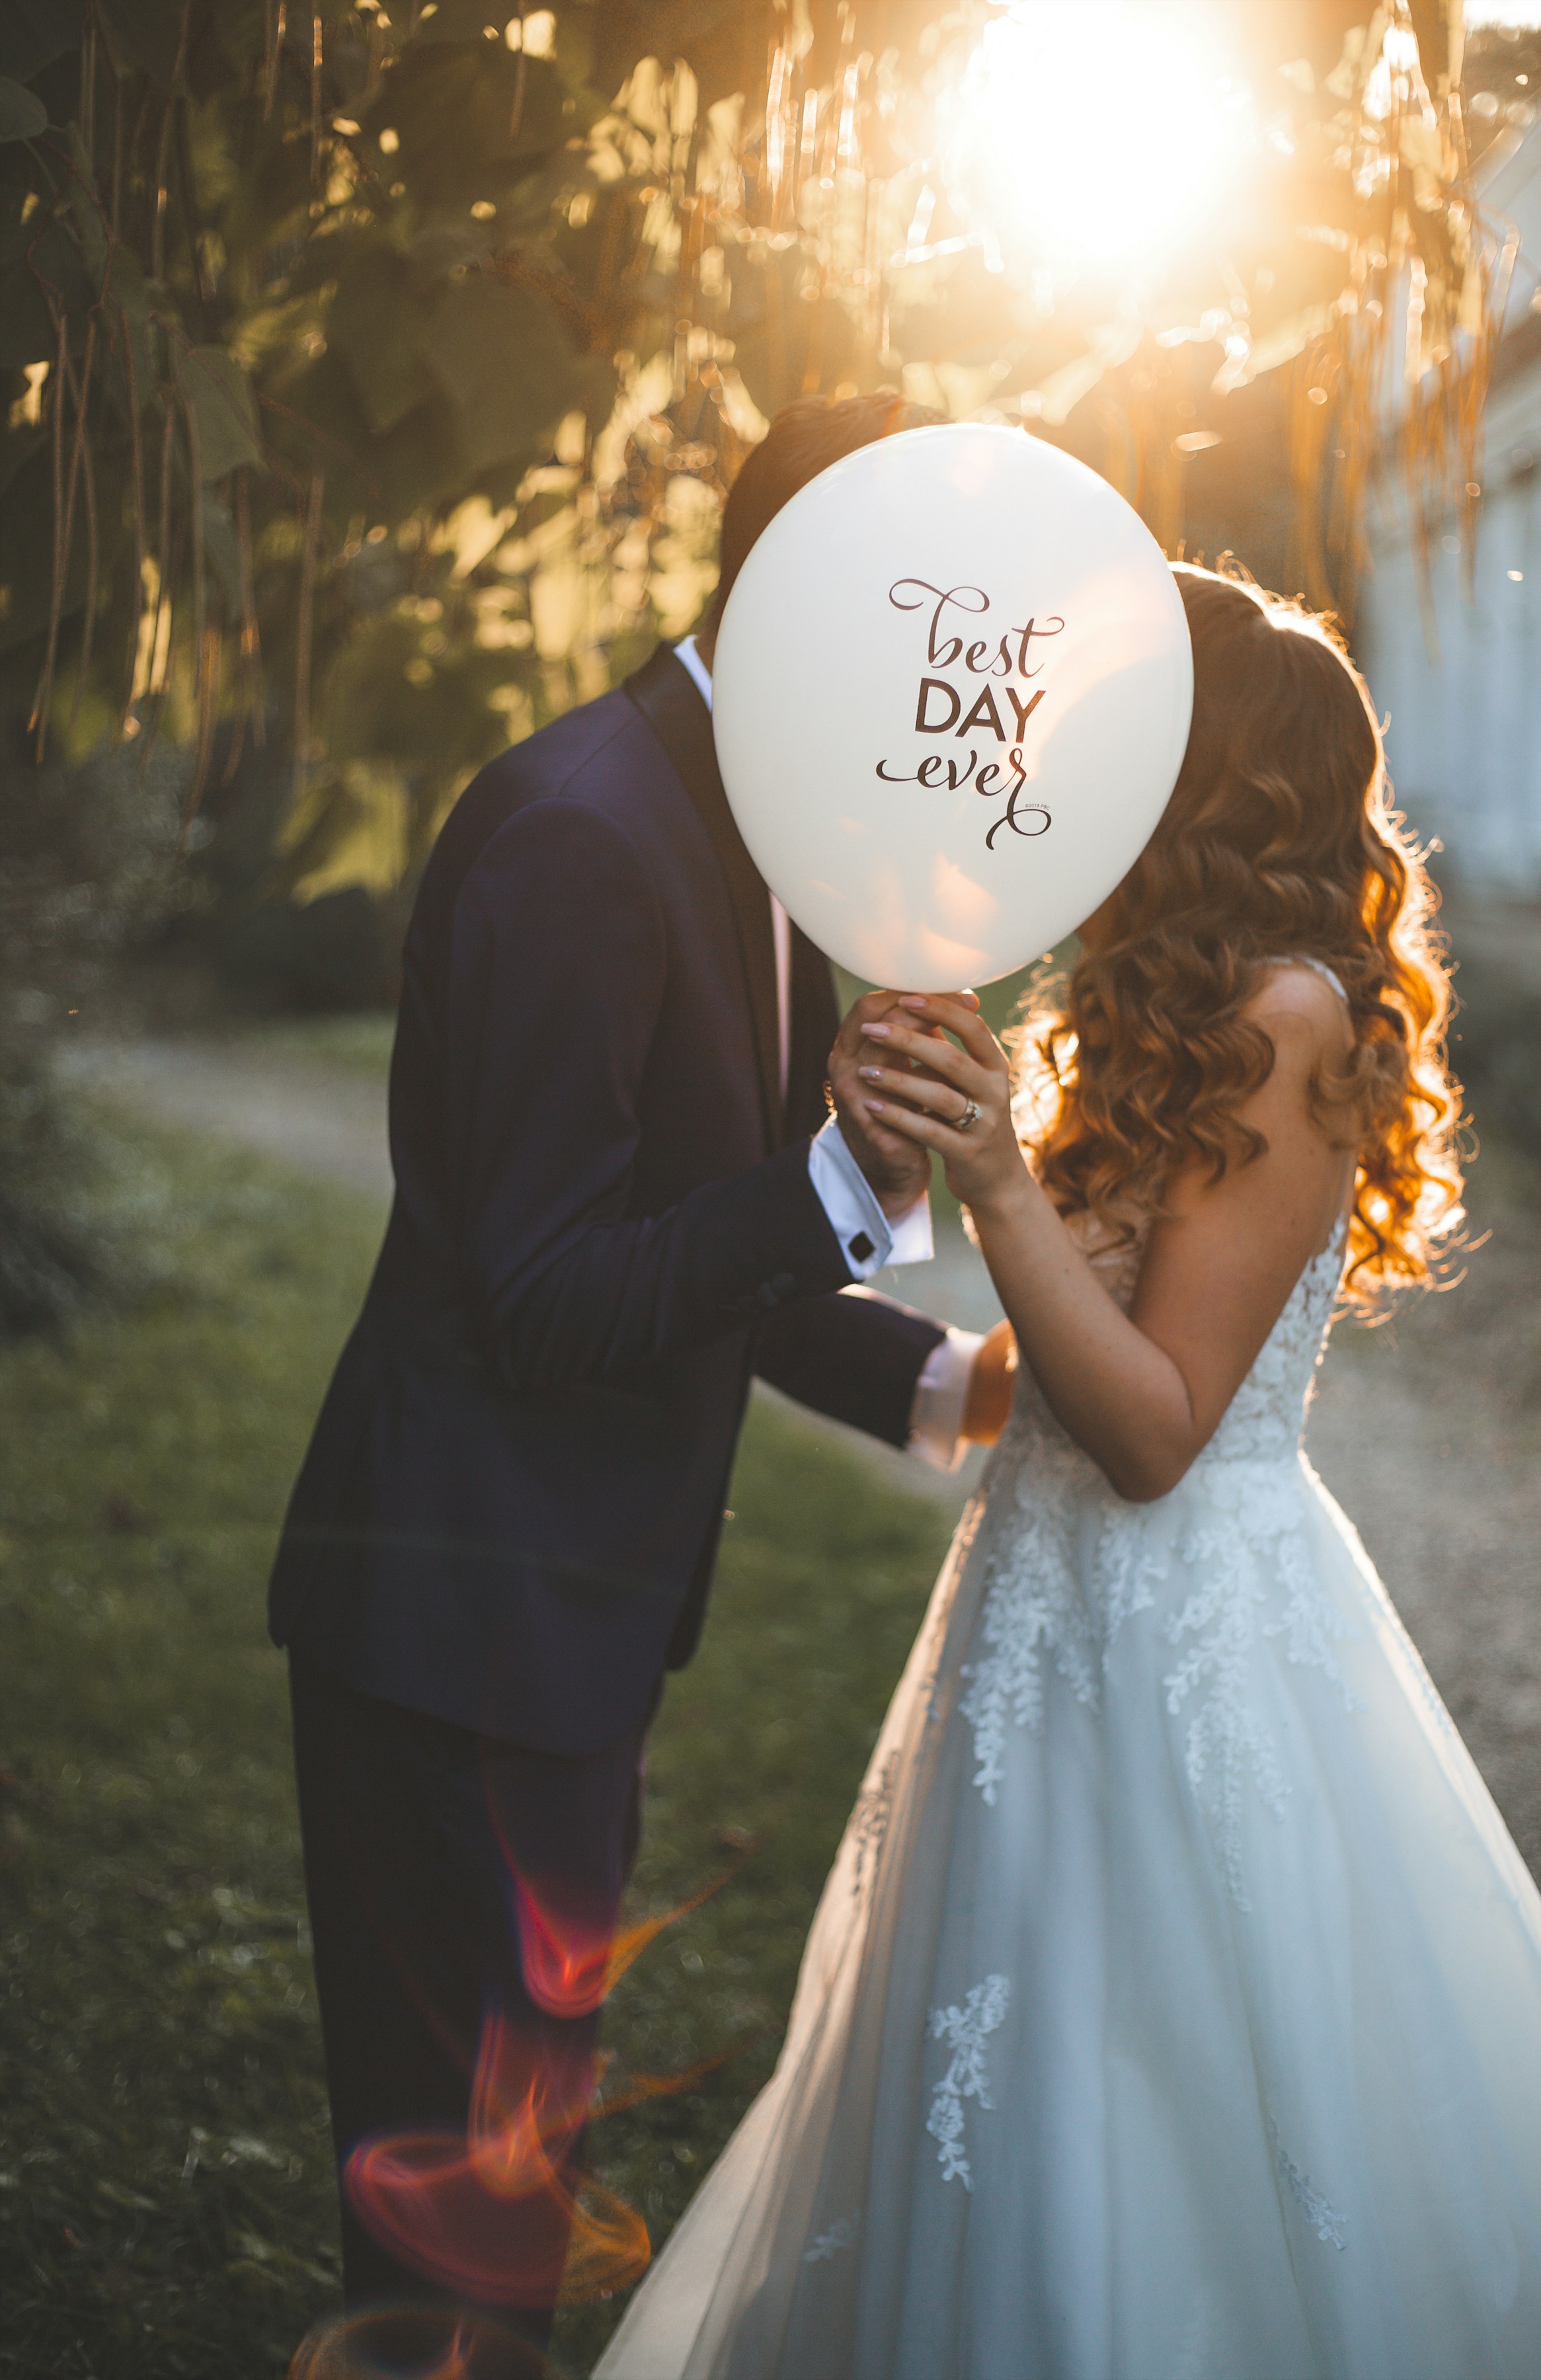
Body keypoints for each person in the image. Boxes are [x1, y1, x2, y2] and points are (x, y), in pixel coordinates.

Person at [594, 567, 1541, 2380]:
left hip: (1170, 1624)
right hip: (1038, 1630)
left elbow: (1150, 1430)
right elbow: (1045, 1368)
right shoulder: (1159, 1000)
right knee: (1004, 2083)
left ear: (1203, 770)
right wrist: (873, 1167)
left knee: (1169, 2099)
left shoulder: (1292, 1012)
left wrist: (994, 1178)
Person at [267, 393, 1017, 2356]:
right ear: (804, 598)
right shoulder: (587, 834)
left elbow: (711, 1254)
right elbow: (544, 1292)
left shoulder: (760, 825)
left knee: (509, 2184)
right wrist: (837, 1178)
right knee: (455, 2230)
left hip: (560, 1635)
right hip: (459, 1632)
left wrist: (957, 1389)